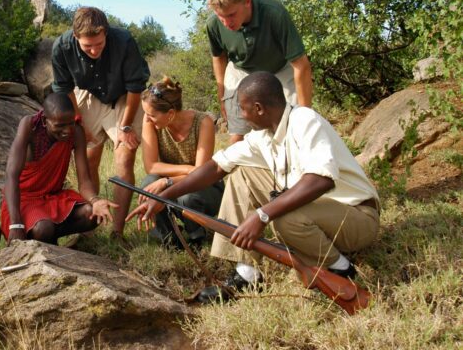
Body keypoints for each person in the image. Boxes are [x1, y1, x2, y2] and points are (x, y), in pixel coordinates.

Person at [128, 72, 380, 300]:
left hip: (356, 218)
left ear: (258, 108)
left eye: (243, 109)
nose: (241, 116)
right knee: (241, 174)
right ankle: (247, 272)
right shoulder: (263, 136)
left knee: (282, 217)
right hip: (320, 212)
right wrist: (165, 196)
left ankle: (340, 268)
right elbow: (216, 167)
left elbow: (320, 180)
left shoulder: (305, 121)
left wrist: (262, 215)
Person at [51, 6, 150, 238]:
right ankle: (90, 227)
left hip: (125, 97)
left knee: (124, 159)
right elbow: (64, 90)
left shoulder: (124, 41)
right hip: (87, 96)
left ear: (105, 32)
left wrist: (125, 127)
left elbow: (136, 87)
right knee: (87, 158)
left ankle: (117, 231)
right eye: (88, 46)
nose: (94, 50)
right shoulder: (62, 47)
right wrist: (79, 124)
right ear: (76, 37)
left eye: (99, 43)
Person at [206, 0, 313, 144]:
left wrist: (306, 115)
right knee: (237, 132)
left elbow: (301, 65)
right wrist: (222, 95)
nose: (227, 23)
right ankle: (236, 169)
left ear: (247, 2)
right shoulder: (213, 24)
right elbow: (219, 57)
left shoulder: (274, 13)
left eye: (232, 15)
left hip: (278, 68)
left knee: (294, 124)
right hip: (241, 70)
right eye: (221, 17)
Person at [0, 93, 118, 245]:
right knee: (43, 228)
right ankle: (42, 236)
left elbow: (84, 180)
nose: (67, 130)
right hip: (24, 200)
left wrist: (95, 201)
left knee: (92, 213)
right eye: (60, 125)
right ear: (44, 120)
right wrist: (16, 224)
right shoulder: (30, 126)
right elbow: (11, 175)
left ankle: (50, 239)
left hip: (53, 197)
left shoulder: (76, 132)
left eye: (70, 123)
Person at [139, 77, 223, 248]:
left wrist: (167, 181)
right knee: (148, 184)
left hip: (205, 187)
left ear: (170, 114)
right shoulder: (150, 122)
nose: (147, 119)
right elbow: (151, 166)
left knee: (187, 196)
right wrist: (188, 169)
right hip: (183, 180)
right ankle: (170, 239)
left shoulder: (203, 122)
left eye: (151, 115)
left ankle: (196, 237)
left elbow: (200, 175)